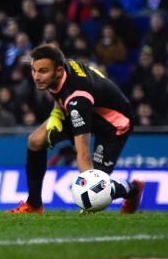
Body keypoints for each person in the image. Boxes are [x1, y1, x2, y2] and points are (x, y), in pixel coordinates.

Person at [9, 44, 144, 214]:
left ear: (58, 71)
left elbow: (83, 153)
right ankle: (34, 205)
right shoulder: (61, 68)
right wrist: (57, 112)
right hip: (91, 109)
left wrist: (88, 193)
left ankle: (132, 189)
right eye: (34, 70)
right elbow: (61, 92)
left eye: (42, 71)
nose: (36, 76)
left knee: (96, 189)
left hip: (114, 124)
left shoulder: (77, 99)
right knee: (35, 141)